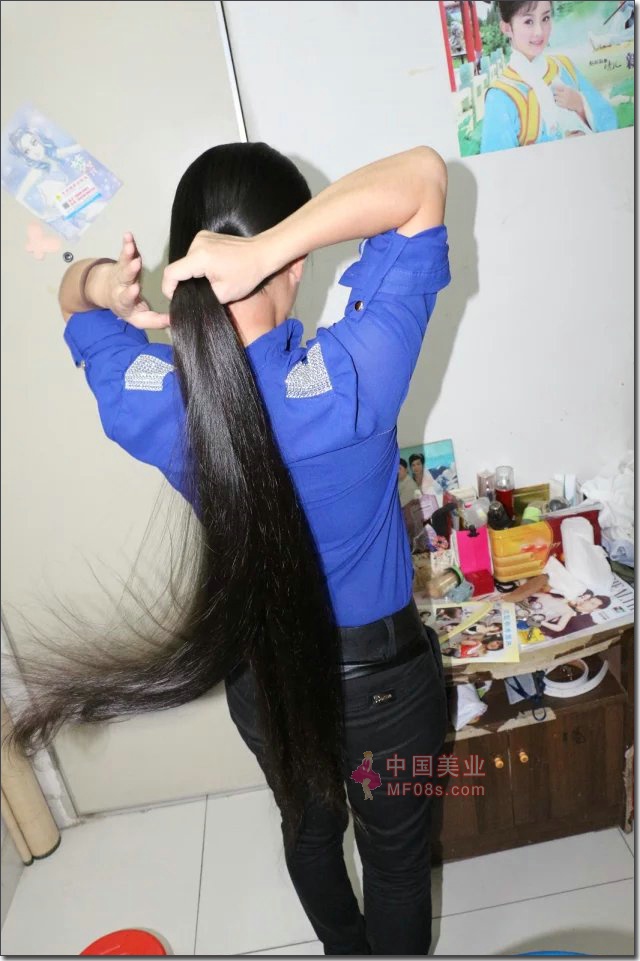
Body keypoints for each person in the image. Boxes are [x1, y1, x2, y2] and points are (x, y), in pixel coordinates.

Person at [9, 143, 450, 956]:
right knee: (395, 862)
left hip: (261, 676)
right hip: (382, 689)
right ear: (290, 261)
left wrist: (107, 283)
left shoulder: (161, 401)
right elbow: (422, 179)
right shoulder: (352, 373)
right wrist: (275, 246)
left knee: (308, 827)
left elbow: (71, 304)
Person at [481, 0, 617, 154]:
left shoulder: (564, 66)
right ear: (507, 28)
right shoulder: (500, 96)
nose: (539, 31)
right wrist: (558, 146)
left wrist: (580, 104)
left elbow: (611, 122)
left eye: (545, 18)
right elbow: (498, 164)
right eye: (528, 21)